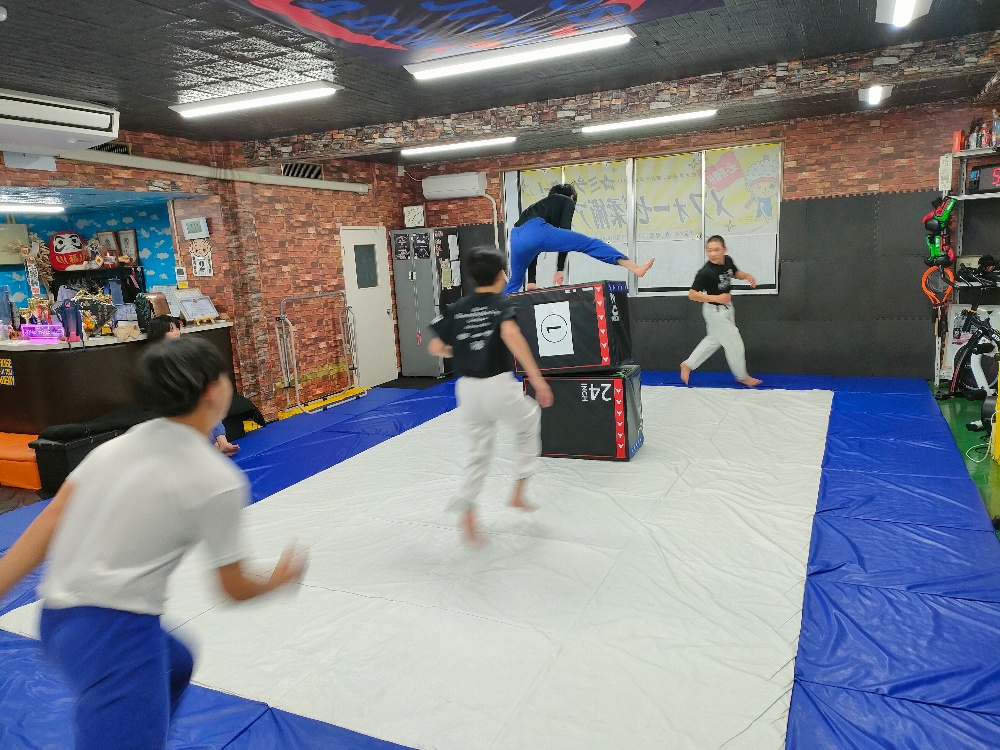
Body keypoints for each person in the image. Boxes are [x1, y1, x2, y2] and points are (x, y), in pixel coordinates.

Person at [0, 336, 305, 750]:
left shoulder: (116, 446)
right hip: (116, 637)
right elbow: (233, 588)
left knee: (175, 662)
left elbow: (48, 523)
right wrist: (276, 580)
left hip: (57, 621)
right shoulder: (216, 479)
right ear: (213, 392)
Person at [428, 246, 554, 544]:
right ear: (502, 275)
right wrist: (538, 380)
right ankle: (518, 491)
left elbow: (435, 347)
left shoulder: (459, 307)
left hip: (467, 390)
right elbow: (510, 335)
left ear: (472, 278)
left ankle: (467, 508)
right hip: (497, 385)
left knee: (477, 453)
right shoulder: (500, 304)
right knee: (529, 420)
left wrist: (462, 351)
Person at [504, 183, 654, 295]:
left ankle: (496, 318)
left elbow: (533, 248)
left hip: (516, 236)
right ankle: (635, 268)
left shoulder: (537, 207)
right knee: (590, 243)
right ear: (571, 196)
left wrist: (531, 281)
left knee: (514, 283)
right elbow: (565, 231)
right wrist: (560, 269)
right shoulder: (566, 200)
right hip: (536, 230)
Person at [147, 315, 239, 457]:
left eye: (177, 328)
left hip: (192, 396)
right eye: (171, 330)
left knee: (206, 403)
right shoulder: (156, 361)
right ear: (160, 334)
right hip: (176, 405)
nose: (177, 333)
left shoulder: (186, 355)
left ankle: (222, 441)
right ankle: (214, 446)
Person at [680, 235, 763, 388]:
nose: (712, 254)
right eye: (709, 250)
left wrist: (746, 276)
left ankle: (688, 364)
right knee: (735, 343)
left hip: (727, 308)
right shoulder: (705, 272)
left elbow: (734, 272)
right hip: (714, 311)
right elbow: (692, 294)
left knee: (714, 340)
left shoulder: (728, 260)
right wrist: (717, 298)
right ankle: (742, 376)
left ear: (724, 250)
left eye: (716, 250)